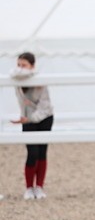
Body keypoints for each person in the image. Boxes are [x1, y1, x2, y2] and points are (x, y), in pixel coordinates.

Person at [11, 52, 53, 200]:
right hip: (27, 119)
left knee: (42, 152)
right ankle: (29, 187)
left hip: (44, 118)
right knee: (32, 152)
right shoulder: (16, 80)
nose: (20, 69)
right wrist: (26, 118)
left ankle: (39, 187)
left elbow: (44, 106)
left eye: (24, 65)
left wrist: (29, 118)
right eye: (19, 65)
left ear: (32, 66)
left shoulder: (40, 80)